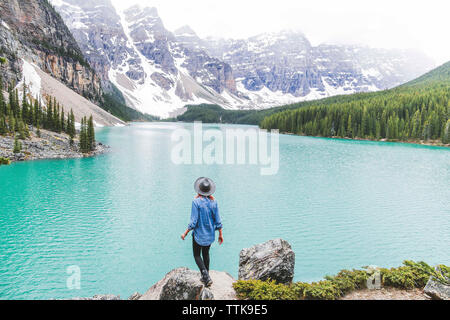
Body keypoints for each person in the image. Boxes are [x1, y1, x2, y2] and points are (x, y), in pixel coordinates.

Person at [181, 177, 224, 287]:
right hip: (210, 234)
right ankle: (207, 276)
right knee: (206, 254)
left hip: (199, 235)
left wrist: (185, 232)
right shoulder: (214, 202)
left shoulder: (196, 202)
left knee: (196, 255)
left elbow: (193, 221)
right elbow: (218, 220)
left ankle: (205, 276)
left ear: (198, 190)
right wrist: (220, 234)